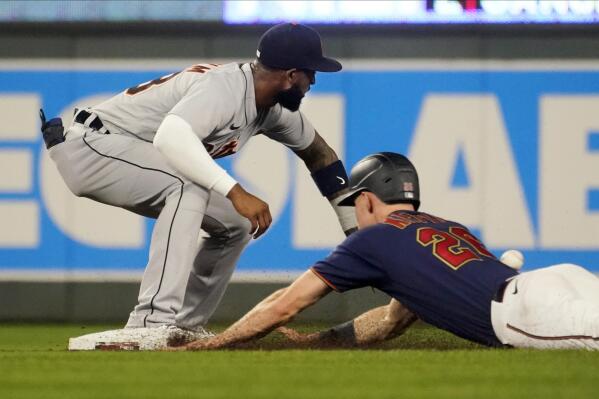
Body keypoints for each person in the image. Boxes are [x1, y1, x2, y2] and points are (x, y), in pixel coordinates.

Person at [41, 23, 357, 350]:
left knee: (237, 223)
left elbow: (321, 155)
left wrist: (355, 231)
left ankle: (183, 326)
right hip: (93, 146)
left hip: (124, 150)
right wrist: (235, 191)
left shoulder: (275, 111)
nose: (314, 80)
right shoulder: (225, 89)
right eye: (310, 72)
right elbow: (171, 138)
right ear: (291, 75)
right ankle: (150, 322)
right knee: (187, 184)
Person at [185, 152, 599, 351]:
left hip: (526, 310)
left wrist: (213, 344)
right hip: (559, 279)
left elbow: (283, 305)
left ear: (366, 199)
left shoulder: (372, 240)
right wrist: (318, 342)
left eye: (354, 205)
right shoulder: (446, 227)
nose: (354, 214)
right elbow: (390, 320)